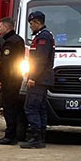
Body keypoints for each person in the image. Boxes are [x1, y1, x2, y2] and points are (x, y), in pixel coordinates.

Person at [0, 17, 28, 145]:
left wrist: (1, 80)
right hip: (11, 78)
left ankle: (10, 136)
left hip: (11, 79)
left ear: (7, 27)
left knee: (10, 108)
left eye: (0, 26)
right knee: (8, 107)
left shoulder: (13, 41)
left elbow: (7, 64)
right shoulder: (6, 40)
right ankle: (11, 134)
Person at [22, 10, 55, 149]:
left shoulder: (43, 37)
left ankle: (36, 137)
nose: (30, 26)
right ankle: (40, 137)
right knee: (40, 108)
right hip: (43, 79)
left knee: (31, 107)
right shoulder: (43, 35)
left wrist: (32, 77)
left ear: (37, 22)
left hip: (39, 79)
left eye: (31, 23)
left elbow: (40, 60)